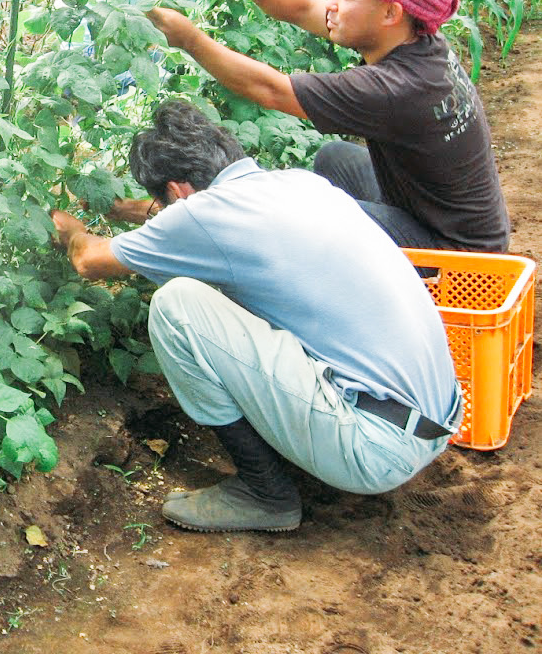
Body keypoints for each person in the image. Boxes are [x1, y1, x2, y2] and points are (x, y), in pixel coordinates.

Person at [50, 100, 460, 533]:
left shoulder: (201, 215)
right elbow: (190, 218)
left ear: (179, 191)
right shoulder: (303, 184)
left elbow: (89, 261)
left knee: (179, 305)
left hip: (374, 451)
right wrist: (119, 208)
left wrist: (68, 228)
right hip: (439, 417)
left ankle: (264, 492)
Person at [145, 0, 509, 252]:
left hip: (457, 256)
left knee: (314, 217)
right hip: (447, 220)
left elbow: (269, 90)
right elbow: (304, 9)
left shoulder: (397, 90)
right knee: (335, 159)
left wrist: (189, 39)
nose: (332, 4)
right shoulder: (417, 37)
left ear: (390, 12)